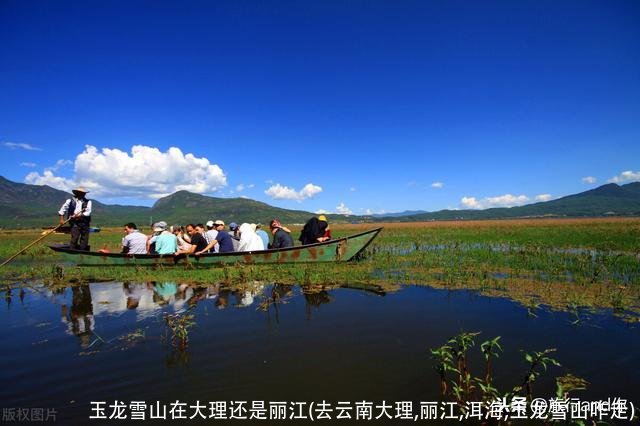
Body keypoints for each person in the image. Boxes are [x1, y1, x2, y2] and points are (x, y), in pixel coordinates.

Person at [58, 187, 92, 251]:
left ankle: (83, 253)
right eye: (81, 193)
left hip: (85, 222)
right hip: (74, 223)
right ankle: (72, 251)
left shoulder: (88, 202)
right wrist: (61, 220)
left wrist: (77, 216)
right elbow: (62, 210)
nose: (83, 194)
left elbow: (88, 213)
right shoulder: (70, 201)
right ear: (77, 193)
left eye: (84, 193)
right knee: (74, 238)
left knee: (84, 239)